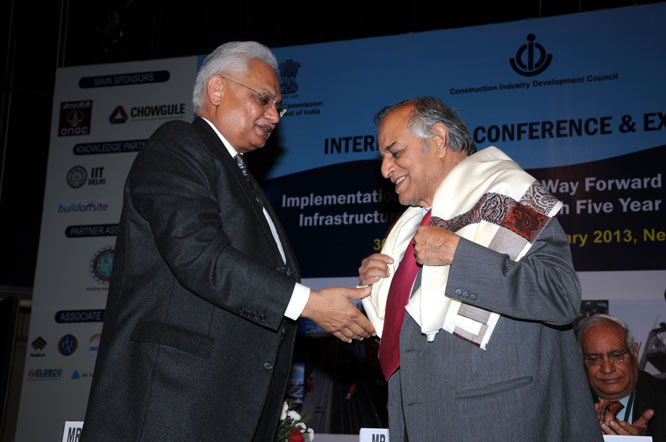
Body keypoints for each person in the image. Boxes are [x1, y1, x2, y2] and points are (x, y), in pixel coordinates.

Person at [80, 41, 374, 442]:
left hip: (222, 404)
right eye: (263, 99)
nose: (274, 116)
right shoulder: (178, 144)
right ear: (217, 90)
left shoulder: (239, 173)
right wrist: (309, 304)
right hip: (172, 399)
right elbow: (198, 254)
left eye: (278, 106)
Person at [359, 97, 602, 442]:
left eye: (395, 152)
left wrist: (460, 255)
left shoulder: (511, 197)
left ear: (438, 140)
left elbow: (560, 296)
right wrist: (382, 286)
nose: (385, 169)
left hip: (504, 424)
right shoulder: (405, 233)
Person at [576, 313, 666, 440]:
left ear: (635, 352)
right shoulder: (566, 406)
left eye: (617, 356)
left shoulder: (662, 397)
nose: (607, 369)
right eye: (594, 359)